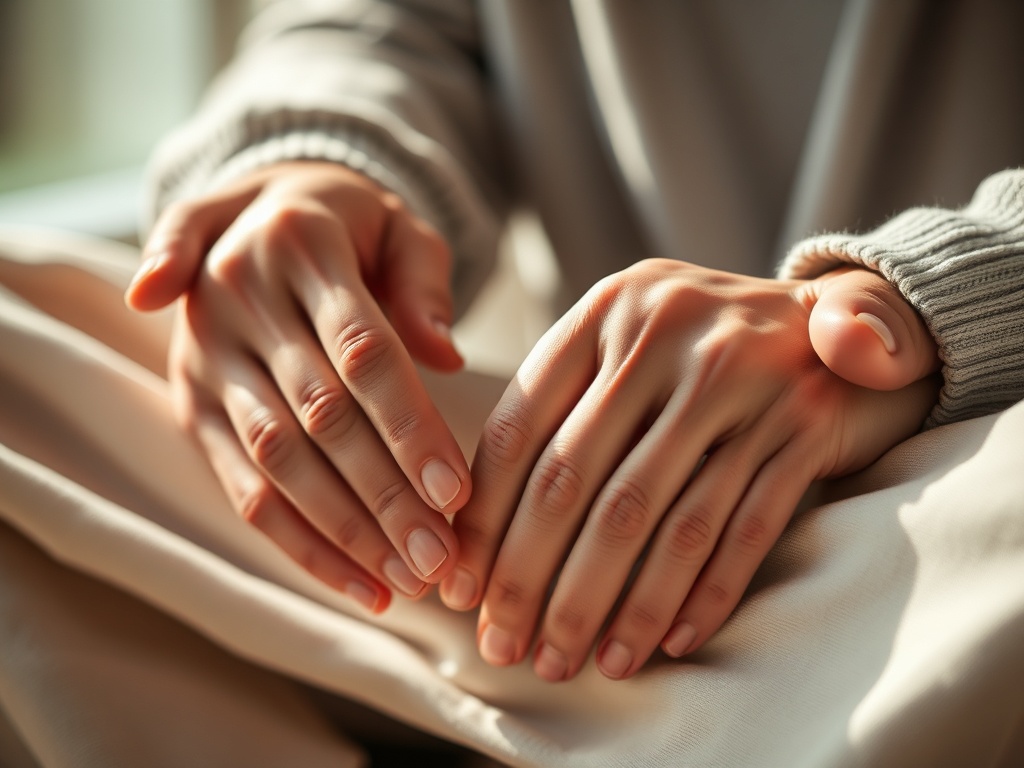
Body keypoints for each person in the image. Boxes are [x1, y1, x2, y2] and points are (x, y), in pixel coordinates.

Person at [124, 0, 1024, 688]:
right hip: (577, 509)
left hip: (973, 473)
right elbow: (381, 24)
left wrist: (947, 294)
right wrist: (305, 164)